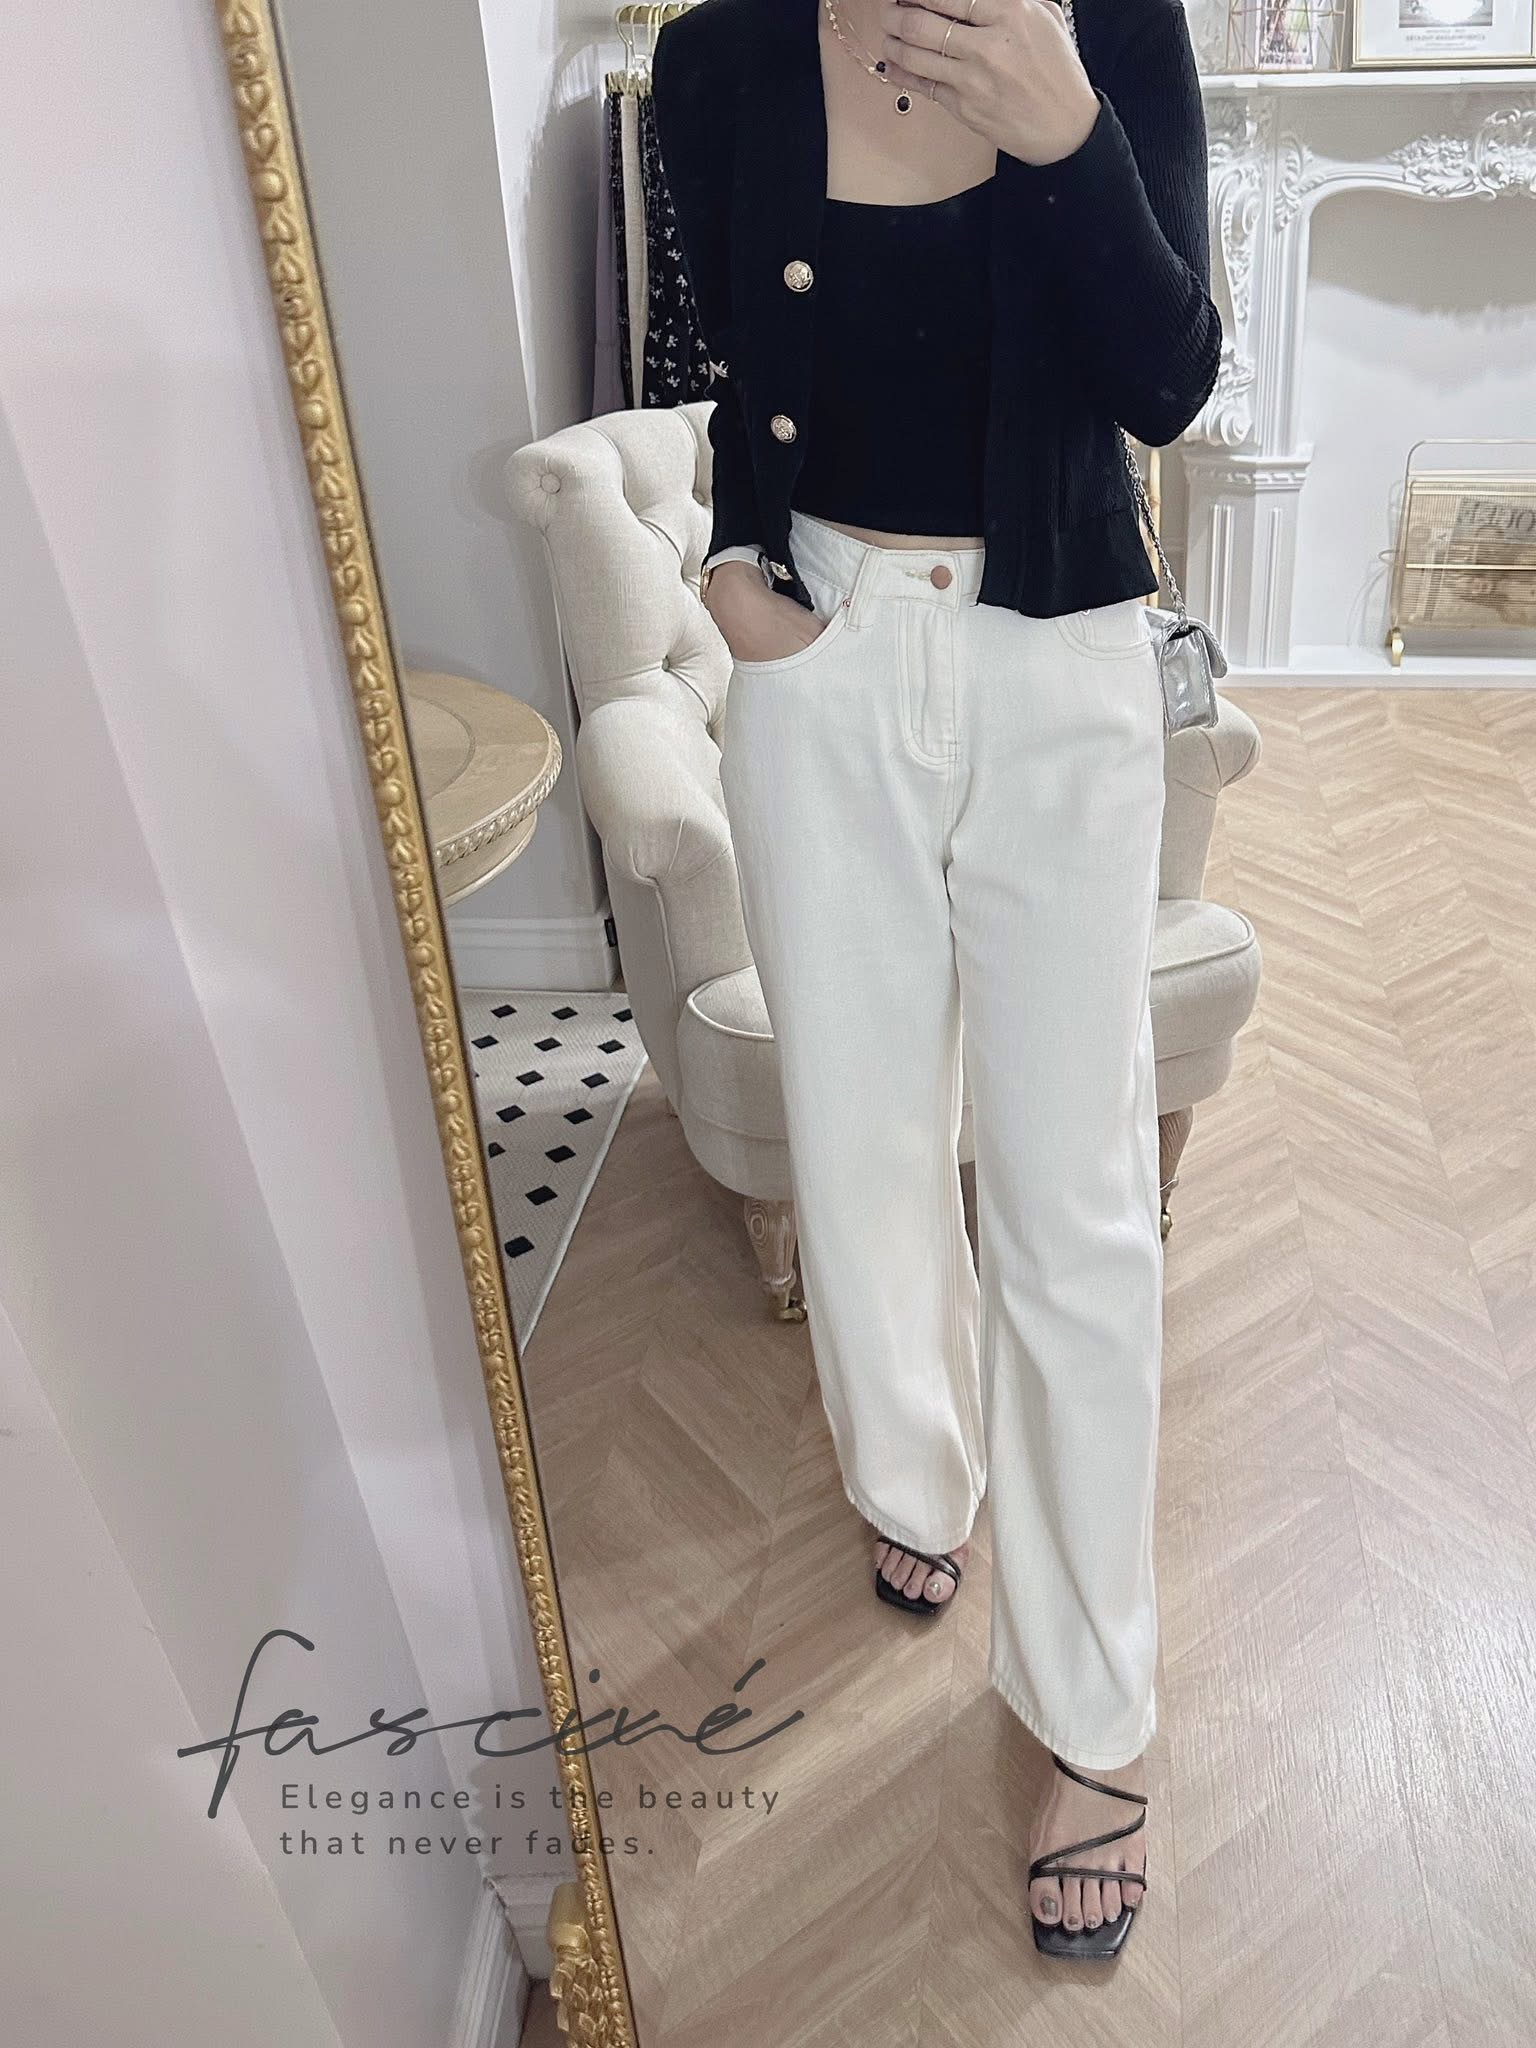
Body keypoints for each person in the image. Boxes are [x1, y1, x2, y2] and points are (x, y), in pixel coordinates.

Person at [653, 0, 1220, 1960]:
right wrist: (734, 571)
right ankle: (915, 1466)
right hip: (820, 662)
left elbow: (1168, 380)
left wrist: (1066, 132)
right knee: (865, 1137)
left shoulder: (1111, 28)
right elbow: (715, 368)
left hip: (1060, 672)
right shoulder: (718, 60)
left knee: (1076, 1206)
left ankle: (1094, 1714)